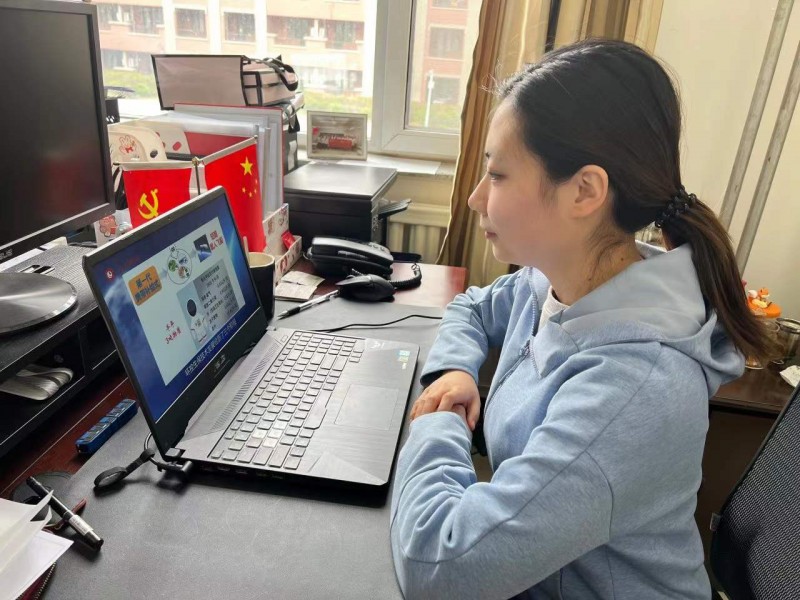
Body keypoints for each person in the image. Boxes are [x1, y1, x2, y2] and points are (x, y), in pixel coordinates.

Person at [389, 39, 775, 600]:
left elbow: (438, 568)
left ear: (584, 191)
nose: (475, 198)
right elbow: (472, 307)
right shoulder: (555, 278)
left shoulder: (633, 390)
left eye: (497, 175)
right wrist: (454, 372)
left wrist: (436, 423)